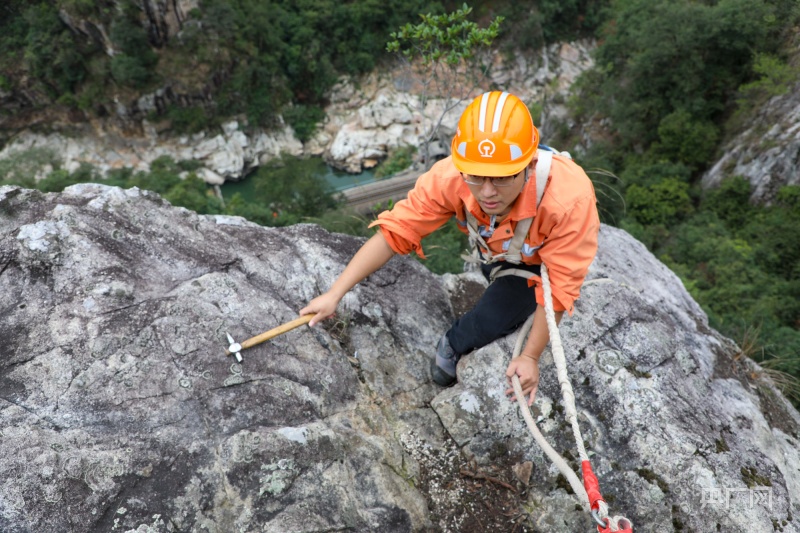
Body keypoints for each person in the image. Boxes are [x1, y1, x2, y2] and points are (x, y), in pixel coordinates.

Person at [300, 91, 599, 405]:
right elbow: (394, 233)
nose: (487, 192)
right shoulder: (451, 176)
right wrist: (335, 294)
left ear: (528, 164)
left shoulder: (568, 200)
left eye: (501, 178)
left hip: (535, 261)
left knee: (491, 319)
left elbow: (560, 285)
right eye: (476, 177)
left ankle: (453, 343)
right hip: (497, 249)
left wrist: (530, 356)